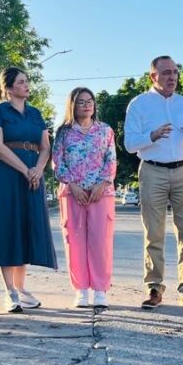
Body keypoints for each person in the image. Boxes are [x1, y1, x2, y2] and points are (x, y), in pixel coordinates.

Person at [123, 55, 183, 309]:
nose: (172, 77)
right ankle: (154, 287)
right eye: (166, 72)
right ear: (153, 76)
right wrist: (152, 135)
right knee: (154, 233)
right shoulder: (139, 104)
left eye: (175, 72)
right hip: (153, 170)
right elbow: (129, 144)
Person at [0, 67, 57, 313]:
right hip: (6, 173)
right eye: (21, 82)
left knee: (25, 227)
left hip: (32, 174)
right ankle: (9, 290)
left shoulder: (35, 113)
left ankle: (21, 288)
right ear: (9, 87)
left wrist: (38, 170)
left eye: (27, 81)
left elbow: (45, 146)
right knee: (8, 227)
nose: (26, 85)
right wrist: (25, 170)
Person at [52, 87, 117, 309]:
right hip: (73, 193)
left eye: (90, 101)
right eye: (81, 102)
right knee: (75, 242)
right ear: (73, 105)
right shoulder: (63, 132)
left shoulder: (105, 130)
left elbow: (111, 159)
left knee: (101, 242)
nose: (87, 105)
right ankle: (80, 290)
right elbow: (57, 162)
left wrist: (102, 183)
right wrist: (72, 184)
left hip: (101, 194)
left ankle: (100, 290)